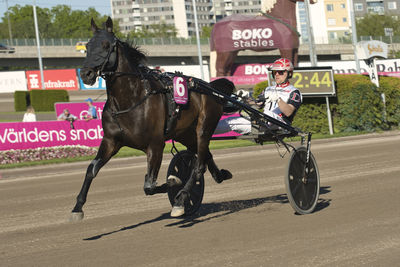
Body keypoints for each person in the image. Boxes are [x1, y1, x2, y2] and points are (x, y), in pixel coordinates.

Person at [214, 58, 302, 135]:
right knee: (231, 121)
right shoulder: (268, 89)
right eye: (275, 72)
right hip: (263, 122)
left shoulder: (294, 92)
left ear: (289, 73)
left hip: (280, 124)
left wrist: (278, 99)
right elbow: (257, 104)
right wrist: (245, 98)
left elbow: (289, 112)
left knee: (236, 122)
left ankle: (205, 132)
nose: (277, 74)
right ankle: (206, 131)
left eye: (281, 72)